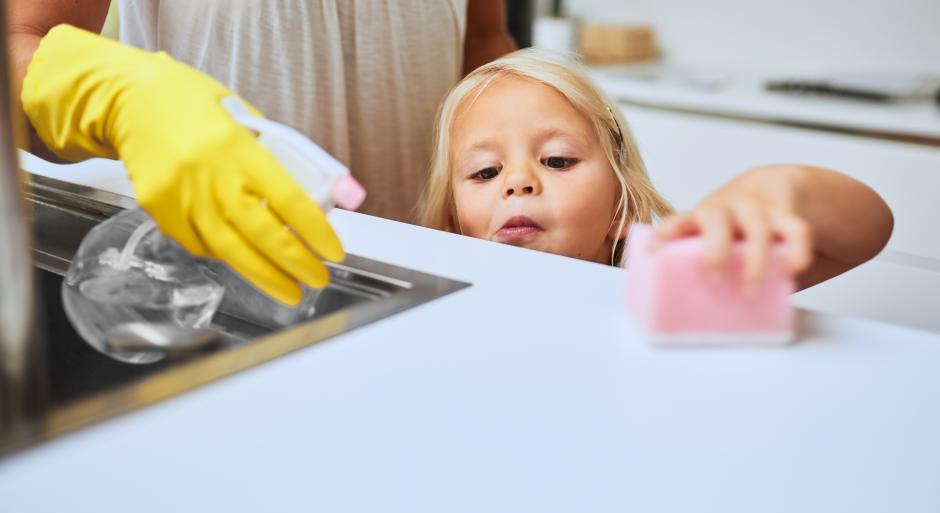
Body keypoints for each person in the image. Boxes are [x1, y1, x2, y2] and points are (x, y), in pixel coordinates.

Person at [8, 1, 516, 305]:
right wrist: (114, 97)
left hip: (438, 285)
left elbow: (482, 38)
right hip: (219, 299)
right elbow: (18, 41)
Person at [418, 49, 894, 290]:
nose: (518, 182)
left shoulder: (664, 278)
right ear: (453, 225)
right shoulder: (443, 298)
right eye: (485, 172)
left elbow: (869, 230)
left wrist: (772, 189)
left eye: (557, 160)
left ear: (619, 208)